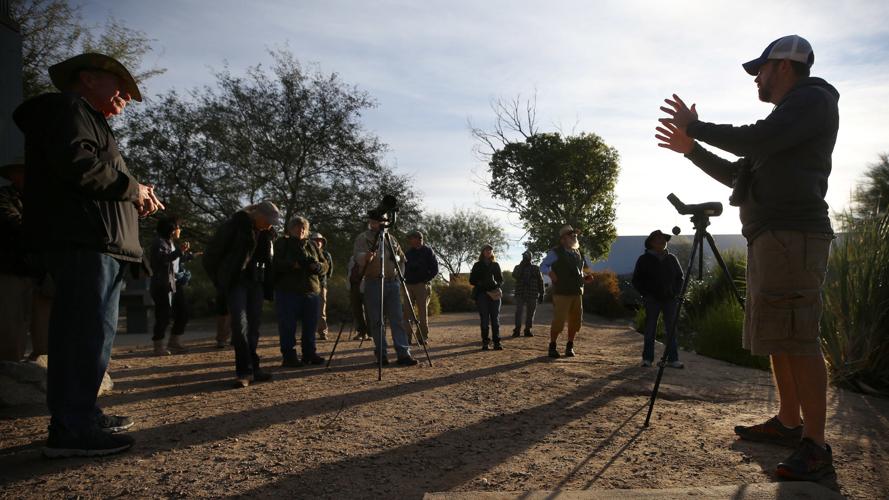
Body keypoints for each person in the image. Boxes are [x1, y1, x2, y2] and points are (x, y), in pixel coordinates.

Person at [656, 35, 839, 481]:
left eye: (761, 68)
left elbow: (752, 141)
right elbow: (738, 175)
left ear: (785, 66)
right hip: (772, 239)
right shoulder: (784, 122)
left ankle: (815, 445)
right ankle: (788, 422)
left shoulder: (812, 100)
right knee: (779, 336)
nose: (757, 77)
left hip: (794, 237)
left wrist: (697, 128)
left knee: (798, 336)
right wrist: (692, 150)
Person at [13, 53, 164, 457]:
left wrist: (134, 190)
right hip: (85, 243)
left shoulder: (83, 117)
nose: (128, 99)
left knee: (92, 334)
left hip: (98, 243)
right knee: (83, 333)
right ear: (88, 79)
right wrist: (133, 189)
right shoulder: (68, 109)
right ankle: (72, 429)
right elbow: (78, 165)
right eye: (122, 89)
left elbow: (91, 171)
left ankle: (83, 414)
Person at [203, 201, 280, 387]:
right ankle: (243, 372)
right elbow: (211, 256)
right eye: (268, 220)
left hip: (257, 283)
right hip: (236, 282)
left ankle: (254, 368)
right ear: (257, 214)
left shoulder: (267, 234)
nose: (270, 224)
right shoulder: (233, 227)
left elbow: (268, 261)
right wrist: (221, 280)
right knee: (240, 325)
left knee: (253, 327)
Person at [352, 209, 417, 366]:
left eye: (382, 221)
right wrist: (365, 257)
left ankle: (403, 354)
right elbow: (357, 256)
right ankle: (381, 355)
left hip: (392, 283)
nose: (379, 224)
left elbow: (402, 259)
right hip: (373, 282)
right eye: (375, 221)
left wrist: (399, 275)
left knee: (397, 319)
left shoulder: (391, 238)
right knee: (376, 320)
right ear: (370, 222)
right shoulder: (363, 238)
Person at [275, 218, 328, 367]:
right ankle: (289, 356)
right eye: (298, 228)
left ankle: (309, 354)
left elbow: (325, 265)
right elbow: (274, 263)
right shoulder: (282, 243)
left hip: (311, 291)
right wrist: (294, 265)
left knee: (310, 326)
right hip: (288, 291)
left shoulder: (312, 245)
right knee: (288, 326)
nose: (301, 231)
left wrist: (317, 267)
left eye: (304, 228)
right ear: (290, 229)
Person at [631, 230, 684, 369]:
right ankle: (647, 359)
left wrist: (675, 292)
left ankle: (673, 359)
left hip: (670, 299)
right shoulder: (644, 259)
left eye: (663, 239)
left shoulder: (672, 258)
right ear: (651, 243)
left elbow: (680, 277)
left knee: (671, 329)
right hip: (652, 299)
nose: (662, 241)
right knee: (650, 329)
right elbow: (636, 280)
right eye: (658, 239)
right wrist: (646, 293)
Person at [540, 225, 594, 358]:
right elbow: (543, 266)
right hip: (562, 292)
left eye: (575, 235)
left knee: (576, 321)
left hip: (577, 292)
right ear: (563, 239)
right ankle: (552, 346)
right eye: (571, 235)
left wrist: (585, 276)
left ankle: (569, 347)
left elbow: (578, 270)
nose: (574, 237)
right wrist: (550, 273)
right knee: (559, 321)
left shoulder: (577, 253)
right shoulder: (555, 252)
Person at [149, 216, 196, 356]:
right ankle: (158, 346)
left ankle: (174, 342)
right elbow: (163, 259)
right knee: (163, 315)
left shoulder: (169, 242)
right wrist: (179, 252)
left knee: (183, 312)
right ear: (171, 229)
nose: (179, 230)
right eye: (178, 227)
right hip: (162, 285)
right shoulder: (159, 243)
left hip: (174, 283)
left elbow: (174, 261)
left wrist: (187, 256)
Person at [0, 161, 31, 361]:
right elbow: (11, 221)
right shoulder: (4, 196)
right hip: (11, 267)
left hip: (36, 269)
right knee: (11, 321)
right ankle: (10, 366)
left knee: (30, 320)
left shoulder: (41, 198)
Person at [402, 230, 438, 344]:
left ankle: (422, 337)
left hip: (422, 286)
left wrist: (425, 280)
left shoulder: (428, 252)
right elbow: (403, 268)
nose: (409, 240)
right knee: (407, 313)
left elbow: (435, 269)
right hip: (408, 285)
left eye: (411, 238)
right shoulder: (408, 253)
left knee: (422, 312)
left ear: (418, 239)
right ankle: (406, 338)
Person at [469, 244, 503, 350]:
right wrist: (481, 283)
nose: (488, 251)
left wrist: (496, 284)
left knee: (495, 319)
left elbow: (501, 280)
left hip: (494, 294)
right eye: (486, 250)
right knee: (484, 319)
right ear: (482, 252)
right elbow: (471, 280)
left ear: (492, 252)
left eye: (490, 250)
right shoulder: (477, 265)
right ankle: (485, 342)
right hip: (482, 294)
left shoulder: (496, 265)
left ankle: (497, 342)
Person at [511, 251, 544, 338]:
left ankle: (528, 330)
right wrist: (522, 266)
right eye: (524, 256)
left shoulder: (535, 268)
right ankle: (517, 330)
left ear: (530, 257)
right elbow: (515, 275)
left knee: (531, 313)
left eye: (527, 256)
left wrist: (542, 293)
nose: (525, 257)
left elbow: (540, 281)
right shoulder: (517, 267)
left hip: (532, 293)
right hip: (520, 293)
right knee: (519, 312)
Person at [311, 232, 333, 340]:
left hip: (321, 285)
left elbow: (329, 271)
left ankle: (323, 332)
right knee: (308, 310)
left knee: (321, 310)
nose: (317, 242)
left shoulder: (326, 255)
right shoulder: (308, 253)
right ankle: (309, 333)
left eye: (319, 240)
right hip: (309, 286)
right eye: (315, 240)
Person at [346, 254, 370, 340]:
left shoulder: (368, 256)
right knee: (357, 311)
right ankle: (361, 332)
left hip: (366, 286)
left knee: (369, 311)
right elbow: (349, 271)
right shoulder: (352, 258)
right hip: (354, 286)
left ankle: (371, 333)